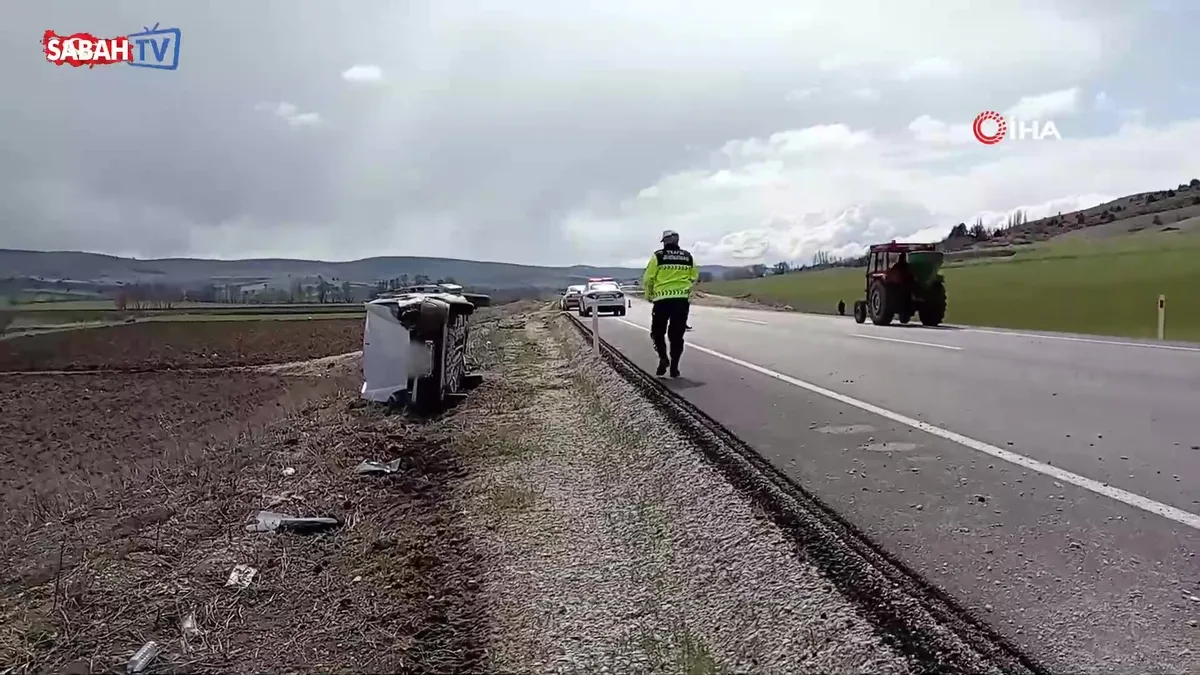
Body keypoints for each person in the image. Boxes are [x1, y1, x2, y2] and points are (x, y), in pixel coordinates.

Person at [642, 229, 699, 377]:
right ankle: (674, 367)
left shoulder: (658, 256)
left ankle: (663, 358)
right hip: (681, 301)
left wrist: (649, 295)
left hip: (662, 300)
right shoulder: (688, 257)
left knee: (657, 332)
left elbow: (648, 278)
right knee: (676, 335)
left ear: (665, 241)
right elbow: (694, 277)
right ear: (677, 241)